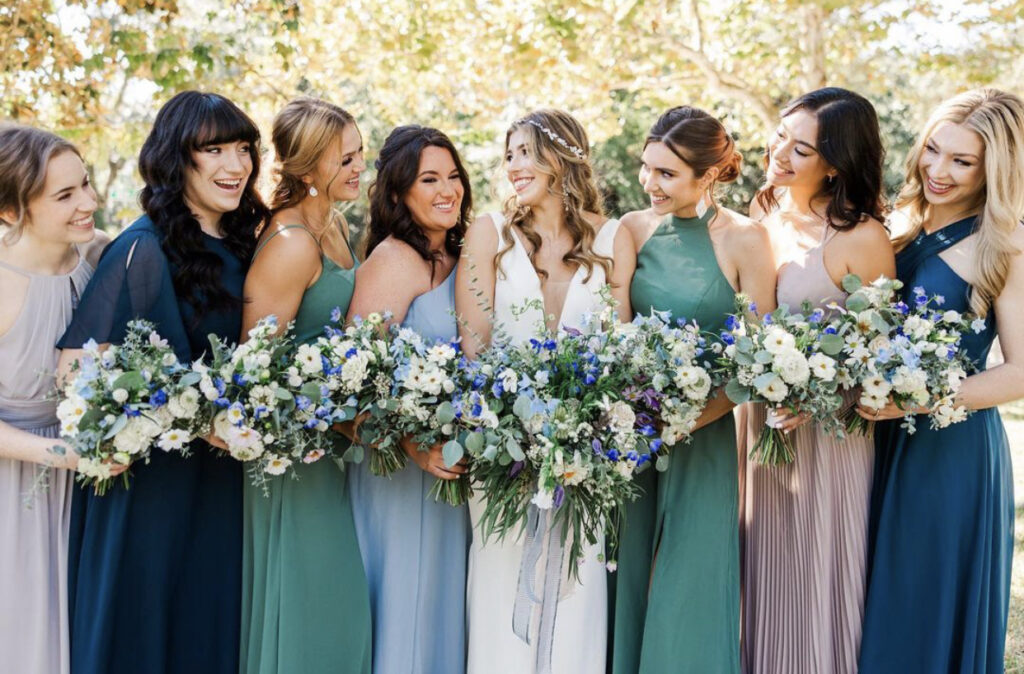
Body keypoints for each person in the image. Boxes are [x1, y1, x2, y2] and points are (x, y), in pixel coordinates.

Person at [57, 91, 268, 674]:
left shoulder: (249, 242)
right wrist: (196, 418)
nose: (235, 165)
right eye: (214, 150)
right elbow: (77, 369)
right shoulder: (142, 248)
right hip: (149, 490)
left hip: (220, 484)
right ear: (179, 159)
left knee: (208, 629)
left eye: (244, 149)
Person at [456, 108, 635, 673]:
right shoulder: (489, 232)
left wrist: (587, 429)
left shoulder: (613, 237)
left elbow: (621, 353)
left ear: (564, 157)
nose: (513, 167)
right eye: (508, 155)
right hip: (502, 458)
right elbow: (474, 347)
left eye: (526, 152)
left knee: (576, 598)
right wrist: (515, 427)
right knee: (499, 595)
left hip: (586, 465)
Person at [857, 88, 1024, 674]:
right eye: (933, 150)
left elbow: (1021, 373)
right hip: (868, 439)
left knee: (917, 609)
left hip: (947, 452)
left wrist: (916, 401)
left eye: (962, 161)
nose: (938, 170)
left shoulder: (1005, 244)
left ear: (994, 169)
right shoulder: (895, 222)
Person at [609, 106, 776, 674]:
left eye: (667, 174)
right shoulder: (631, 229)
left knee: (692, 584)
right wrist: (633, 417)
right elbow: (614, 335)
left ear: (707, 176)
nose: (650, 184)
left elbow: (760, 357)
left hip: (703, 437)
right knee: (624, 576)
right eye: (646, 169)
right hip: (628, 438)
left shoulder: (747, 240)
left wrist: (684, 419)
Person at [738, 87, 895, 674]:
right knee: (759, 576)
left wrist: (823, 395)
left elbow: (882, 360)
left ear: (834, 163)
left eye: (799, 148)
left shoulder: (862, 238)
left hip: (826, 439)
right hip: (756, 431)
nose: (779, 152)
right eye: (781, 135)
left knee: (811, 585)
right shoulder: (760, 217)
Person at [239, 96, 372, 674]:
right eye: (345, 158)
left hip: (333, 444)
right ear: (307, 167)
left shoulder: (335, 225)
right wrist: (323, 414)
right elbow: (253, 372)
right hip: (292, 455)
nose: (358, 167)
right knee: (314, 600)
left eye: (361, 153)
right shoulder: (290, 244)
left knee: (336, 602)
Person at [346, 124, 472, 674]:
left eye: (453, 176)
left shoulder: (461, 256)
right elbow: (353, 383)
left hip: (452, 470)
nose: (447, 189)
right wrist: (415, 447)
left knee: (440, 608)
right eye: (429, 179)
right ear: (398, 194)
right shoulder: (394, 260)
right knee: (407, 609)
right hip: (399, 472)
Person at [0, 123, 110, 674]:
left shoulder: (94, 262)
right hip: (14, 486)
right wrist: (61, 455)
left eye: (85, 185)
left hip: (86, 486)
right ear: (11, 211)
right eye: (65, 195)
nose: (88, 203)